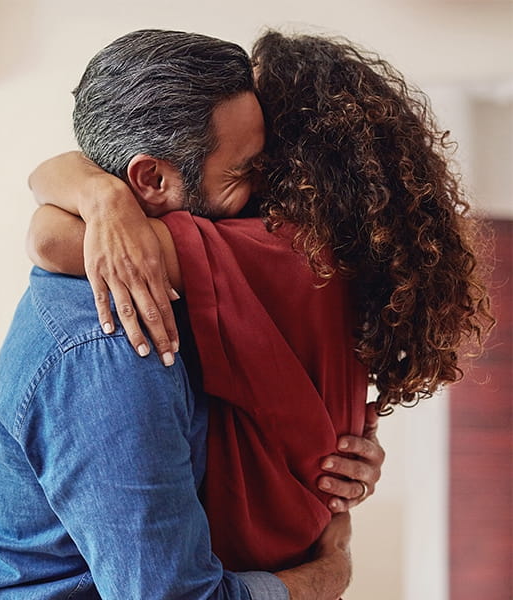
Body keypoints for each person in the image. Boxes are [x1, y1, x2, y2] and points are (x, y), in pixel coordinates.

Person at [27, 30, 494, 575]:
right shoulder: (326, 256)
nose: (249, 184)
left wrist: (100, 198)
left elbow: (49, 241)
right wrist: (100, 193)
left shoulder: (281, 250)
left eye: (255, 166)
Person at [0, 30, 375, 600]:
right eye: (241, 172)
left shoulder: (179, 289)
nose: (261, 196)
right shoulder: (115, 342)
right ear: (151, 180)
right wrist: (328, 575)